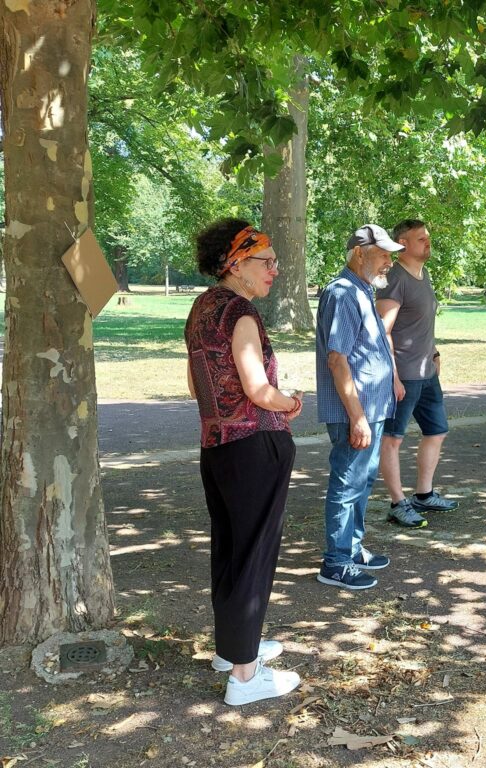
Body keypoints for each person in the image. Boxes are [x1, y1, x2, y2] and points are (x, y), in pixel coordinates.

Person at [184, 218, 303, 706]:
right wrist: (290, 401)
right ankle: (246, 677)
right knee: (254, 555)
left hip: (217, 448)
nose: (275, 268)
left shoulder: (202, 308)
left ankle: (233, 648)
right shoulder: (241, 314)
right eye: (266, 260)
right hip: (255, 446)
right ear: (236, 264)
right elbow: (258, 389)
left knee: (231, 549)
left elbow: (195, 386)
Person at [315, 224, 403, 591]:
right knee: (348, 482)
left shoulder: (362, 290)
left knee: (363, 481)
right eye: (383, 254)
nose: (388, 262)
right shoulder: (342, 294)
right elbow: (338, 360)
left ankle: (351, 547)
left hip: (371, 409)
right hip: (356, 412)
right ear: (358, 254)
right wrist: (357, 417)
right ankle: (335, 562)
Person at [376, 219, 459, 529]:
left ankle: (424, 494)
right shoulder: (396, 279)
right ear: (403, 244)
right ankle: (398, 504)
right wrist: (393, 376)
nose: (428, 242)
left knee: (436, 431)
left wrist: (434, 352)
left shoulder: (422, 276)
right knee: (392, 439)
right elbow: (383, 331)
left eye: (428, 237)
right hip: (403, 374)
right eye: (421, 238)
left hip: (426, 371)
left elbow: (421, 325)